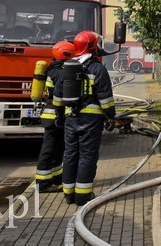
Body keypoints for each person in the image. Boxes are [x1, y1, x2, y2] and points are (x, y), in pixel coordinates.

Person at [52, 31, 116, 206]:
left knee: (70, 154)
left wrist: (59, 115)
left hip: (70, 118)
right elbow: (105, 97)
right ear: (92, 46)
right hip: (91, 121)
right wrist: (110, 116)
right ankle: (83, 196)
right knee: (87, 156)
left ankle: (68, 194)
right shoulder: (97, 68)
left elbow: (57, 95)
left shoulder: (67, 68)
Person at [34, 40, 75, 193]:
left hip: (52, 114)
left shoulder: (53, 69)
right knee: (49, 149)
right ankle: (42, 183)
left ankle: (57, 178)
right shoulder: (59, 73)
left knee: (57, 148)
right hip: (54, 115)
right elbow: (61, 94)